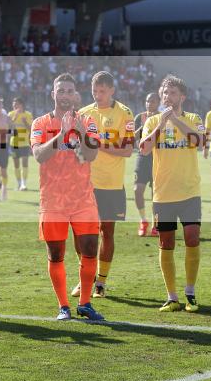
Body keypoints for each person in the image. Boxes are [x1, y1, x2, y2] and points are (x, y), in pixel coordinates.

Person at [31, 72, 104, 321]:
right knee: (56, 254)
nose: (65, 95)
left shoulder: (87, 121)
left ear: (75, 95)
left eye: (69, 91)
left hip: (83, 199)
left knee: (90, 250)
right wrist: (61, 134)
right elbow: (39, 155)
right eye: (60, 90)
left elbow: (91, 155)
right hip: (53, 201)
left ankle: (85, 304)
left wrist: (80, 134)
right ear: (53, 94)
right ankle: (64, 306)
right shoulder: (40, 123)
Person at [140, 75, 206, 313]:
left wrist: (175, 121)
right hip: (163, 193)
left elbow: (200, 142)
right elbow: (144, 149)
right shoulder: (152, 121)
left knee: (192, 238)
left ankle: (190, 293)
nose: (168, 97)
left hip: (189, 192)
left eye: (173, 93)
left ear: (182, 96)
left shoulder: (194, 119)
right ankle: (172, 297)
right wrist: (161, 124)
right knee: (166, 242)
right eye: (165, 93)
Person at [75, 71, 135, 298]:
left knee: (106, 231)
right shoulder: (83, 114)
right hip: (85, 184)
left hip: (111, 184)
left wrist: (98, 145)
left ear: (112, 90)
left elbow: (127, 150)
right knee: (81, 233)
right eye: (95, 91)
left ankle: (100, 281)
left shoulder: (124, 113)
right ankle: (86, 277)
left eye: (102, 91)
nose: (98, 95)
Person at [133, 93, 160, 237]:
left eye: (153, 101)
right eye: (148, 101)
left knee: (156, 194)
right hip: (143, 157)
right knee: (137, 190)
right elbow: (132, 138)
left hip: (158, 158)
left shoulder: (163, 118)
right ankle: (143, 220)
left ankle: (156, 225)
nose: (150, 103)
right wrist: (143, 127)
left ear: (158, 103)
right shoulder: (140, 117)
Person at [8, 97, 33, 191]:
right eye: (13, 104)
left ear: (21, 105)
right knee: (16, 164)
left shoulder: (28, 115)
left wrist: (25, 122)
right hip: (14, 143)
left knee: (25, 163)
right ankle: (18, 183)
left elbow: (31, 129)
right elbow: (8, 128)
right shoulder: (10, 114)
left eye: (16, 104)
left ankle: (23, 183)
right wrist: (14, 118)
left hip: (25, 143)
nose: (14, 106)